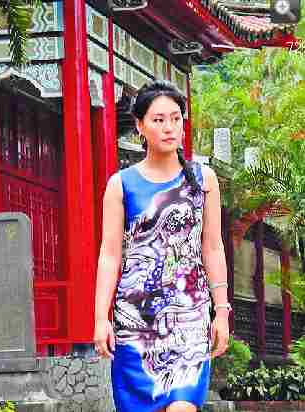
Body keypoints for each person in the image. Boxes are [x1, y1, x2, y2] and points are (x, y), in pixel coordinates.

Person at [94, 80, 230, 412]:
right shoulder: (121, 185)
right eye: (158, 120)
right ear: (140, 126)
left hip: (190, 316)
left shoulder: (203, 180)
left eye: (175, 118)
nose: (169, 127)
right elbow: (110, 255)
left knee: (183, 406)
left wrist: (222, 311)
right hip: (136, 322)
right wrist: (101, 318)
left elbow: (213, 248)